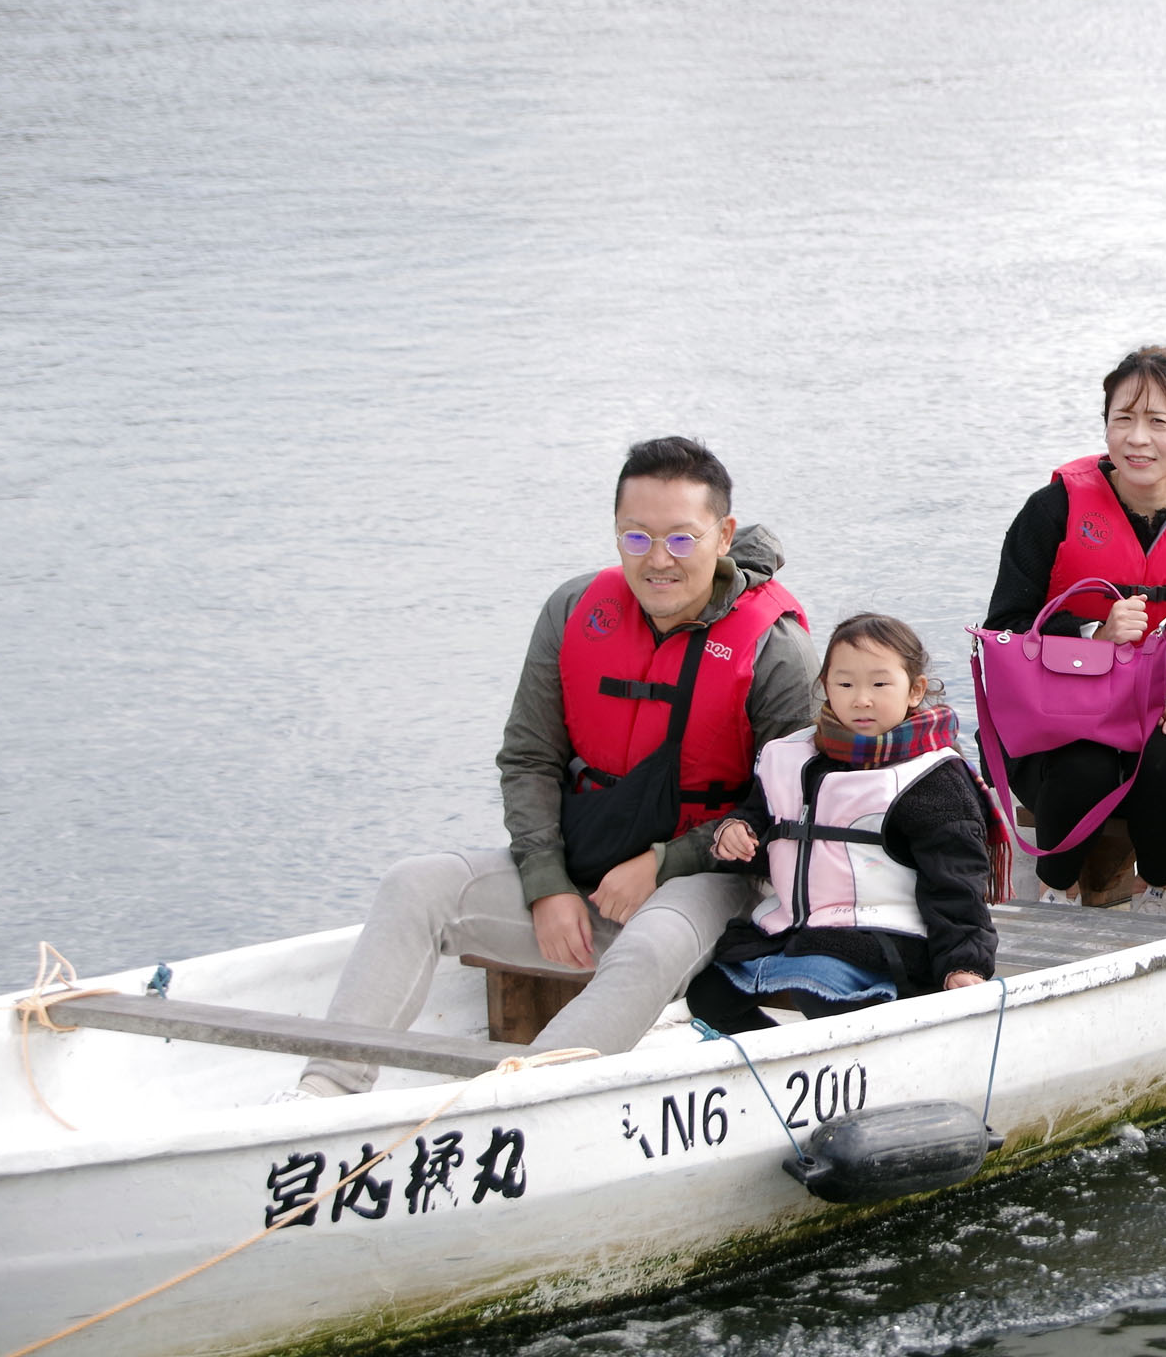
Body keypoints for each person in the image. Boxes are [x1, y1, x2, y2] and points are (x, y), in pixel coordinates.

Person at [294, 437, 817, 1096]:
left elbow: (788, 807)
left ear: (723, 535)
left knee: (649, 947)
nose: (658, 560)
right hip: (584, 860)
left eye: (681, 540)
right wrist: (546, 883)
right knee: (413, 885)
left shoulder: (776, 649)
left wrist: (661, 863)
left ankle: (507, 1104)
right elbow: (530, 757)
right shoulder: (574, 611)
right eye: (637, 537)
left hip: (714, 883)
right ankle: (324, 1097)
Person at [983, 345, 1166, 916]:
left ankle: (1157, 890)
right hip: (1058, 718)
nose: (1137, 438)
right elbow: (1005, 628)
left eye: (1159, 422)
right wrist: (1091, 640)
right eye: (1122, 419)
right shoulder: (1052, 509)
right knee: (1087, 764)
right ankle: (1055, 890)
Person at [689, 614, 998, 1029]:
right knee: (707, 994)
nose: (861, 699)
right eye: (846, 684)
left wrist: (963, 963)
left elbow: (958, 881)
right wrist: (736, 833)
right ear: (825, 687)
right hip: (792, 929)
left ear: (915, 690)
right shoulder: (790, 756)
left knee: (816, 984)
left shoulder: (932, 779)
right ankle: (777, 1066)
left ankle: (860, 1065)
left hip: (885, 934)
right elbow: (760, 817)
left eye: (879, 684)